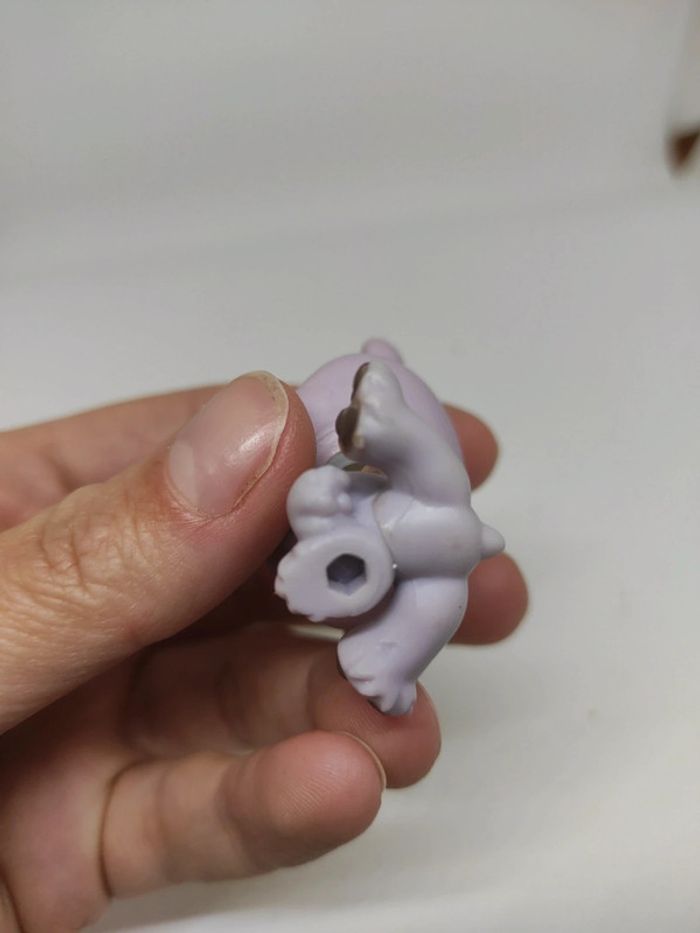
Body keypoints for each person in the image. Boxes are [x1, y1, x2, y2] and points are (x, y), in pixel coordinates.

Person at [0, 373, 528, 931]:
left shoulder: (418, 554)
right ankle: (380, 420)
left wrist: (391, 664)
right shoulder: (374, 505)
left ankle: (382, 420)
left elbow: (420, 599)